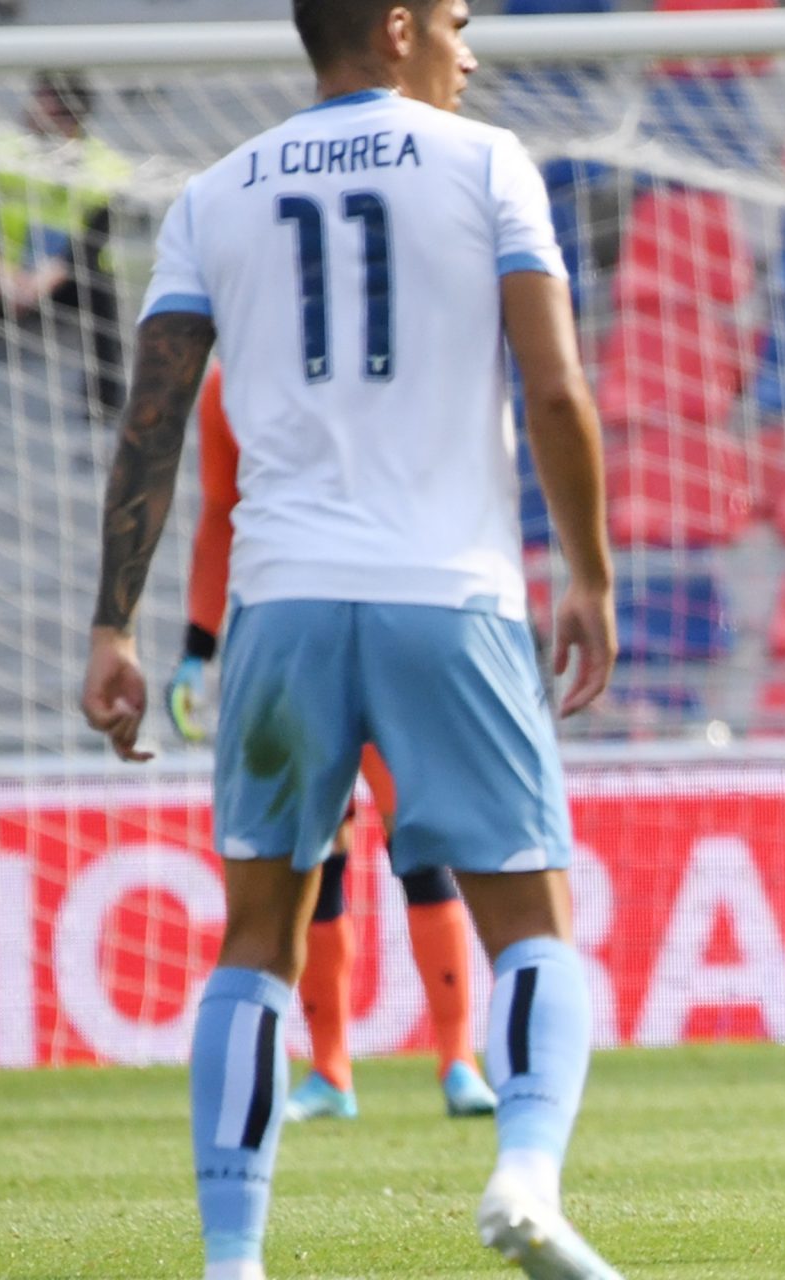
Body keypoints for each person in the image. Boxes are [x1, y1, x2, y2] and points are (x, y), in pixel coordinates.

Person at [79, 2, 621, 1277]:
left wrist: (114, 623)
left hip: (283, 605)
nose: (469, 51)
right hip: (450, 595)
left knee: (256, 939)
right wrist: (589, 573)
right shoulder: (486, 163)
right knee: (533, 922)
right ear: (397, 27)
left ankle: (232, 1257)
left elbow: (154, 417)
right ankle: (526, 1177)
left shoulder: (213, 192)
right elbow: (554, 387)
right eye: (457, 22)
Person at [167, 364, 497, 1124]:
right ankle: (331, 1071)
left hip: (389, 630)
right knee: (316, 854)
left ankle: (458, 1060)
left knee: (419, 839)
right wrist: (198, 645)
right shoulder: (228, 388)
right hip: (291, 645)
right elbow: (220, 511)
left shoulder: (370, 367)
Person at [0, 70, 130, 416]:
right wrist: (6, 275)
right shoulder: (6, 153)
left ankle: (104, 402)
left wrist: (41, 281)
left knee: (101, 289)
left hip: (66, 274)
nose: (31, 108)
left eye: (42, 101)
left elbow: (93, 241)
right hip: (8, 270)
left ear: (67, 112)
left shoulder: (105, 166)